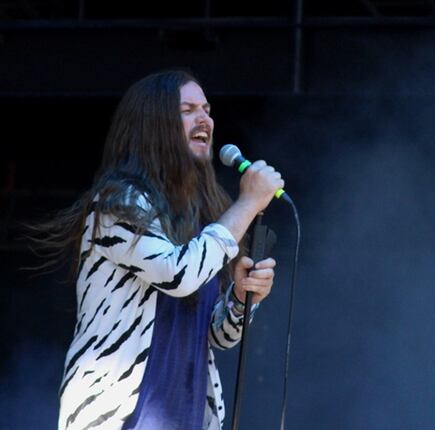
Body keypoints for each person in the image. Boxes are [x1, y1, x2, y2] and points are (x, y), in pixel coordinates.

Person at [30, 70, 284, 430]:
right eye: (188, 109)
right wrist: (248, 203)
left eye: (207, 109)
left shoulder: (201, 221)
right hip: (119, 417)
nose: (205, 119)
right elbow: (177, 274)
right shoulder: (116, 203)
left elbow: (215, 336)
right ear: (153, 123)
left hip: (189, 417)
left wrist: (241, 299)